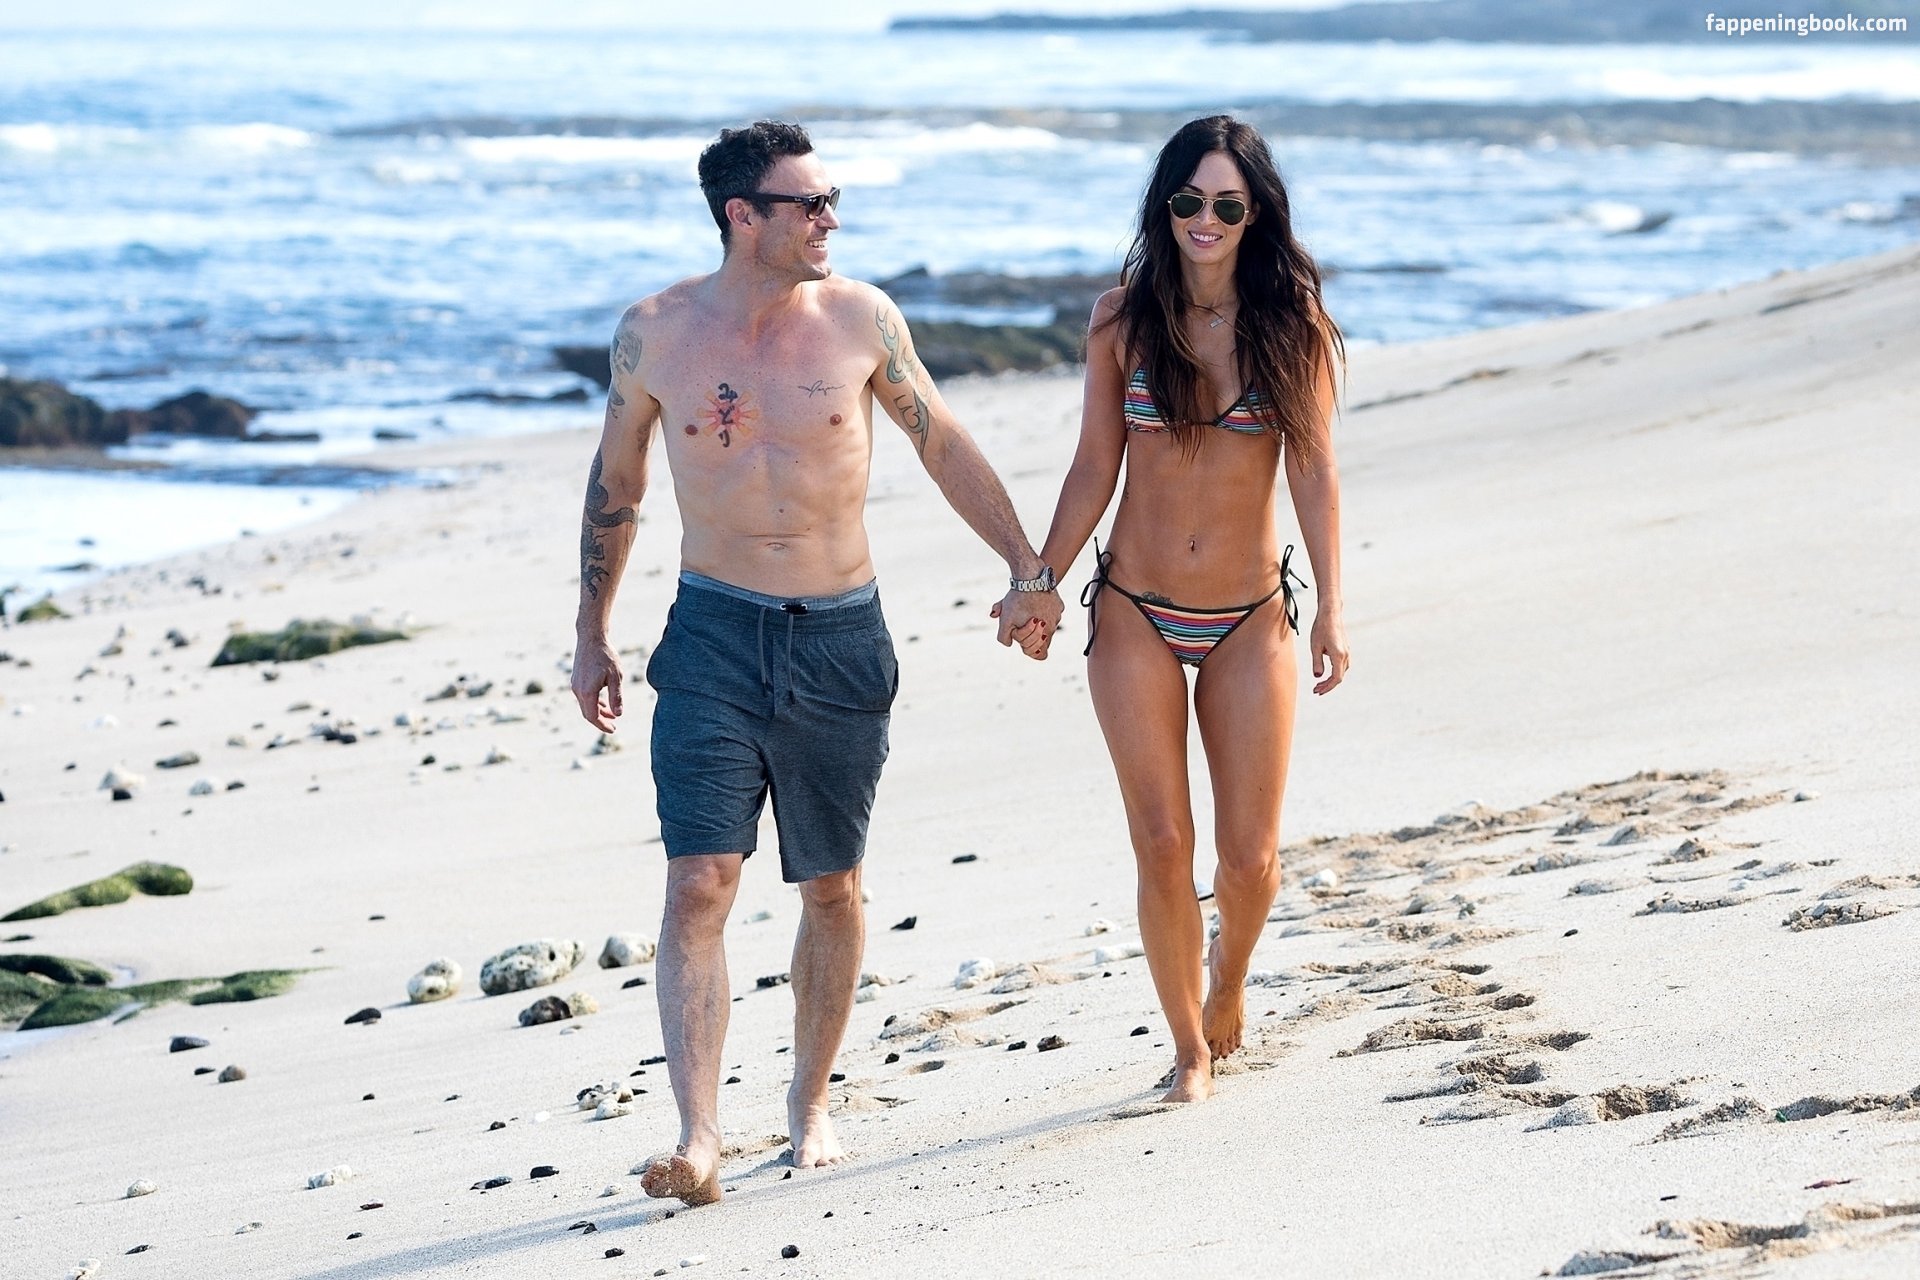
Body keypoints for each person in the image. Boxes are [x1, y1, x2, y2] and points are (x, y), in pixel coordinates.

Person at [569, 121, 1062, 1207]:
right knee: (700, 879)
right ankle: (700, 1139)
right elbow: (618, 486)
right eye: (811, 203)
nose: (831, 218)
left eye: (832, 199)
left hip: (840, 636)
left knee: (831, 885)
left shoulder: (861, 319)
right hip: (712, 633)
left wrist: (1027, 566)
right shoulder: (653, 334)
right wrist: (592, 630)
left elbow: (940, 439)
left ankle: (810, 1100)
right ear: (743, 215)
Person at [1029, 115, 1350, 1104]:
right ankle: (1188, 1050)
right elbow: (1095, 464)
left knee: (1250, 861)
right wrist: (1041, 578)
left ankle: (1230, 975)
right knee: (1163, 843)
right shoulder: (1121, 320)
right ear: (1163, 206)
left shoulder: (1292, 323)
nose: (1203, 219)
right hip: (1136, 608)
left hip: (1250, 616)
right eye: (1187, 200)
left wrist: (1333, 607)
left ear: (1256, 214)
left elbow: (1315, 471)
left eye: (1226, 205)